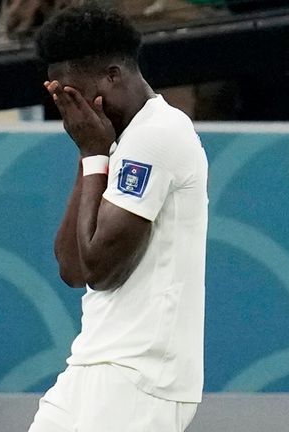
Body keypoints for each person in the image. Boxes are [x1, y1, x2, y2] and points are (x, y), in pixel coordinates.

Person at [28, 5, 208, 432]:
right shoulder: (117, 142)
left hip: (140, 376)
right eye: (62, 101)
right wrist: (91, 155)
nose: (74, 113)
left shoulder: (158, 133)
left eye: (74, 95)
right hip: (92, 361)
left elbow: (99, 269)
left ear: (113, 75)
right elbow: (71, 270)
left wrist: (94, 152)